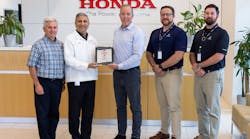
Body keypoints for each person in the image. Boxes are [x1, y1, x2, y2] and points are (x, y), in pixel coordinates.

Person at [146, 5, 187, 139]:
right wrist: (154, 66)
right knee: (163, 105)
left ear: (173, 16)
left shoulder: (179, 33)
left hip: (172, 74)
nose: (165, 17)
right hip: (158, 74)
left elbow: (179, 55)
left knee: (174, 106)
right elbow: (148, 53)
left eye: (168, 14)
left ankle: (176, 135)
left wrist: (161, 66)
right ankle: (164, 132)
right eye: (163, 14)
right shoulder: (155, 33)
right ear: (160, 16)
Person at [189, 4, 229, 139]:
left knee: (213, 110)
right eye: (207, 13)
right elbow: (192, 52)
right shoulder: (199, 33)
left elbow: (219, 56)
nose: (209, 15)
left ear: (217, 15)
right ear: (203, 15)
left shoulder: (222, 34)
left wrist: (201, 67)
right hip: (199, 76)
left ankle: (213, 137)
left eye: (212, 13)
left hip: (213, 75)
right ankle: (203, 135)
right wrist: (195, 65)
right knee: (201, 108)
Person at [107, 4, 145, 139]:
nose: (125, 16)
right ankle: (121, 134)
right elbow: (115, 51)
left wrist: (119, 66)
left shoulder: (137, 32)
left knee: (135, 107)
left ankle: (136, 135)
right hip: (117, 74)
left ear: (132, 16)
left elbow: (136, 56)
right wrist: (106, 59)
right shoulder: (116, 31)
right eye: (123, 14)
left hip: (131, 73)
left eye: (128, 14)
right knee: (120, 106)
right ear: (119, 15)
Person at [27, 17, 64, 139]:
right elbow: (31, 65)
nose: (52, 30)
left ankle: (51, 136)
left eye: (54, 27)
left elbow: (62, 65)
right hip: (43, 83)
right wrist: (37, 84)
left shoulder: (61, 45)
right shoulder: (38, 45)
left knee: (54, 113)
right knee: (43, 114)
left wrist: (62, 82)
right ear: (44, 29)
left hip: (57, 84)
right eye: (49, 27)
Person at [64, 12, 98, 139]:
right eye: (80, 21)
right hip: (76, 80)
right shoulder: (70, 39)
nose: (82, 24)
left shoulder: (93, 39)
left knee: (88, 112)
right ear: (75, 23)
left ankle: (86, 136)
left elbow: (96, 57)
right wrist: (86, 65)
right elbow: (69, 59)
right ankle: (75, 135)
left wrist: (104, 59)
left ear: (88, 23)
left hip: (91, 80)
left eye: (85, 21)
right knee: (74, 113)